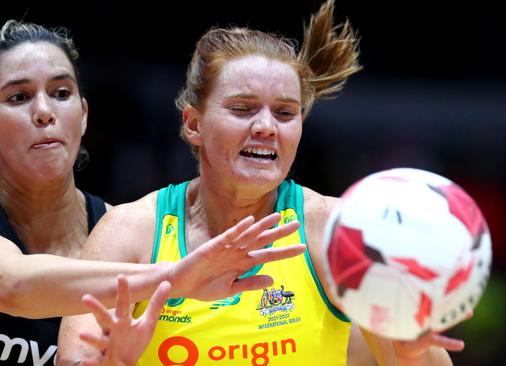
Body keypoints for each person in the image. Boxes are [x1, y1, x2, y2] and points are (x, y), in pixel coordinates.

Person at [0, 20, 306, 366]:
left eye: (62, 94)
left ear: (82, 115)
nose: (44, 112)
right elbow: (10, 285)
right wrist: (175, 277)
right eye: (19, 98)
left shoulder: (122, 234)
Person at [56, 1, 469, 365]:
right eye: (243, 108)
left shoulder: (337, 233)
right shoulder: (128, 235)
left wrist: (412, 354)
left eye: (286, 113)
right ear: (193, 123)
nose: (267, 127)